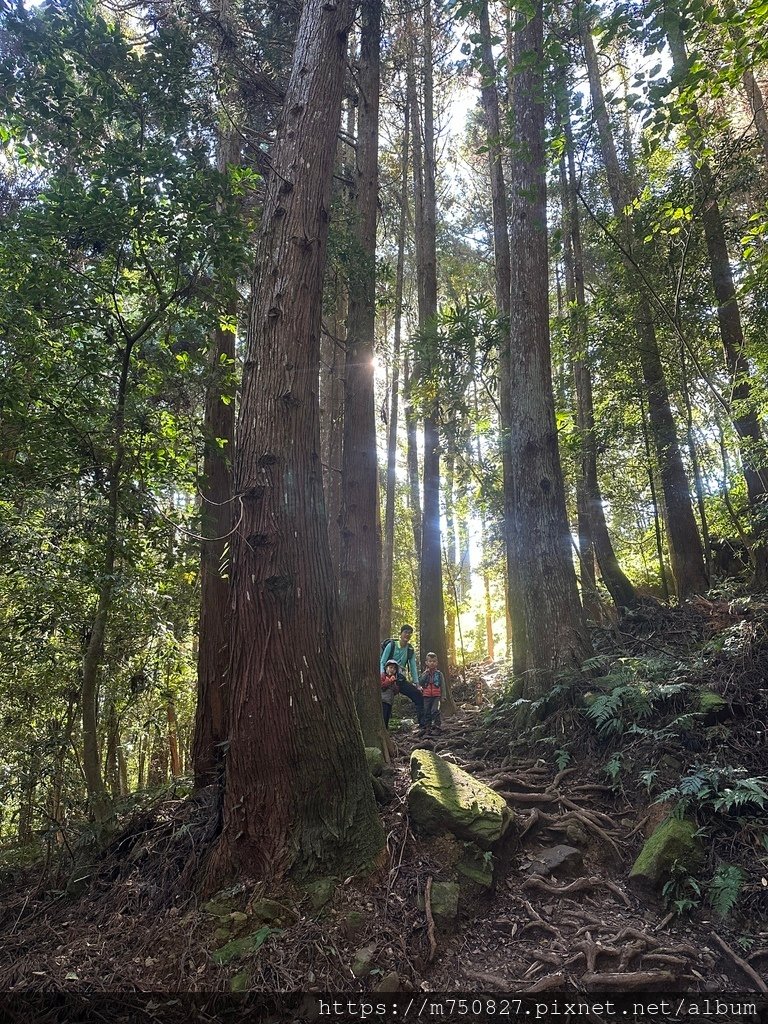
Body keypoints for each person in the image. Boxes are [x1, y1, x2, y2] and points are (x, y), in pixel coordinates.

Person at [380, 624, 424, 730]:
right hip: (387, 679)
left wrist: (417, 684)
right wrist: (382, 676)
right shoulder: (392, 645)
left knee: (417, 695)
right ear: (401, 633)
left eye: (409, 633)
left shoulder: (409, 649)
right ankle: (384, 730)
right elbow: (382, 661)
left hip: (399, 679)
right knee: (386, 703)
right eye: (405, 632)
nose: (407, 635)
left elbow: (413, 666)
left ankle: (423, 725)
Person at [419, 652, 444, 737]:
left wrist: (443, 696)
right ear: (426, 662)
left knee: (435, 710)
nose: (432, 663)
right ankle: (428, 728)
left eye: (434, 661)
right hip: (426, 695)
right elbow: (421, 683)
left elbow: (443, 685)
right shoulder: (424, 673)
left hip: (436, 696)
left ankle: (437, 728)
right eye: (430, 661)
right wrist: (425, 674)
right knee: (426, 711)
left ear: (436, 663)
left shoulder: (439, 674)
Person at [380, 659, 400, 729]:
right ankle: (383, 729)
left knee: (387, 716)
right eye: (390, 667)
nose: (392, 670)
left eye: (394, 668)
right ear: (386, 668)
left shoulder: (394, 679)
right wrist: (389, 681)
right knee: (383, 716)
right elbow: (382, 686)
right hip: (383, 701)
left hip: (390, 701)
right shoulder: (383, 676)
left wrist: (394, 683)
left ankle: (386, 729)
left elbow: (396, 691)